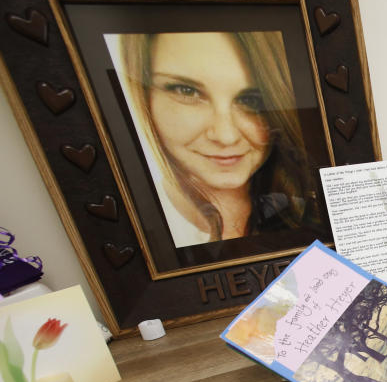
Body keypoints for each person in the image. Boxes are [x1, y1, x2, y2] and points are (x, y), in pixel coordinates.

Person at [118, 32, 320, 248]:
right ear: (143, 96)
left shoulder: (309, 204)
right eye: (187, 91)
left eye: (251, 100)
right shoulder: (133, 233)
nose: (226, 136)